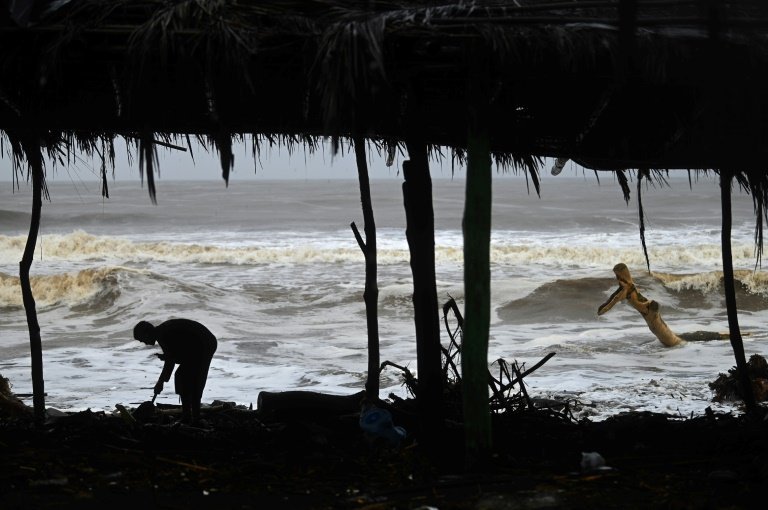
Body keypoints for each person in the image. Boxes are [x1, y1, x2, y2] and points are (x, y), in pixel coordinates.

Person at [134, 318, 217, 425]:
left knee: (187, 378)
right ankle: (190, 415)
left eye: (142, 339)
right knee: (185, 377)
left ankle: (192, 417)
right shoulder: (162, 332)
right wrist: (167, 357)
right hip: (198, 343)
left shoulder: (163, 335)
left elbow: (171, 362)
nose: (144, 343)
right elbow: (176, 354)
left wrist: (160, 382)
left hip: (204, 343)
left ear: (147, 333)